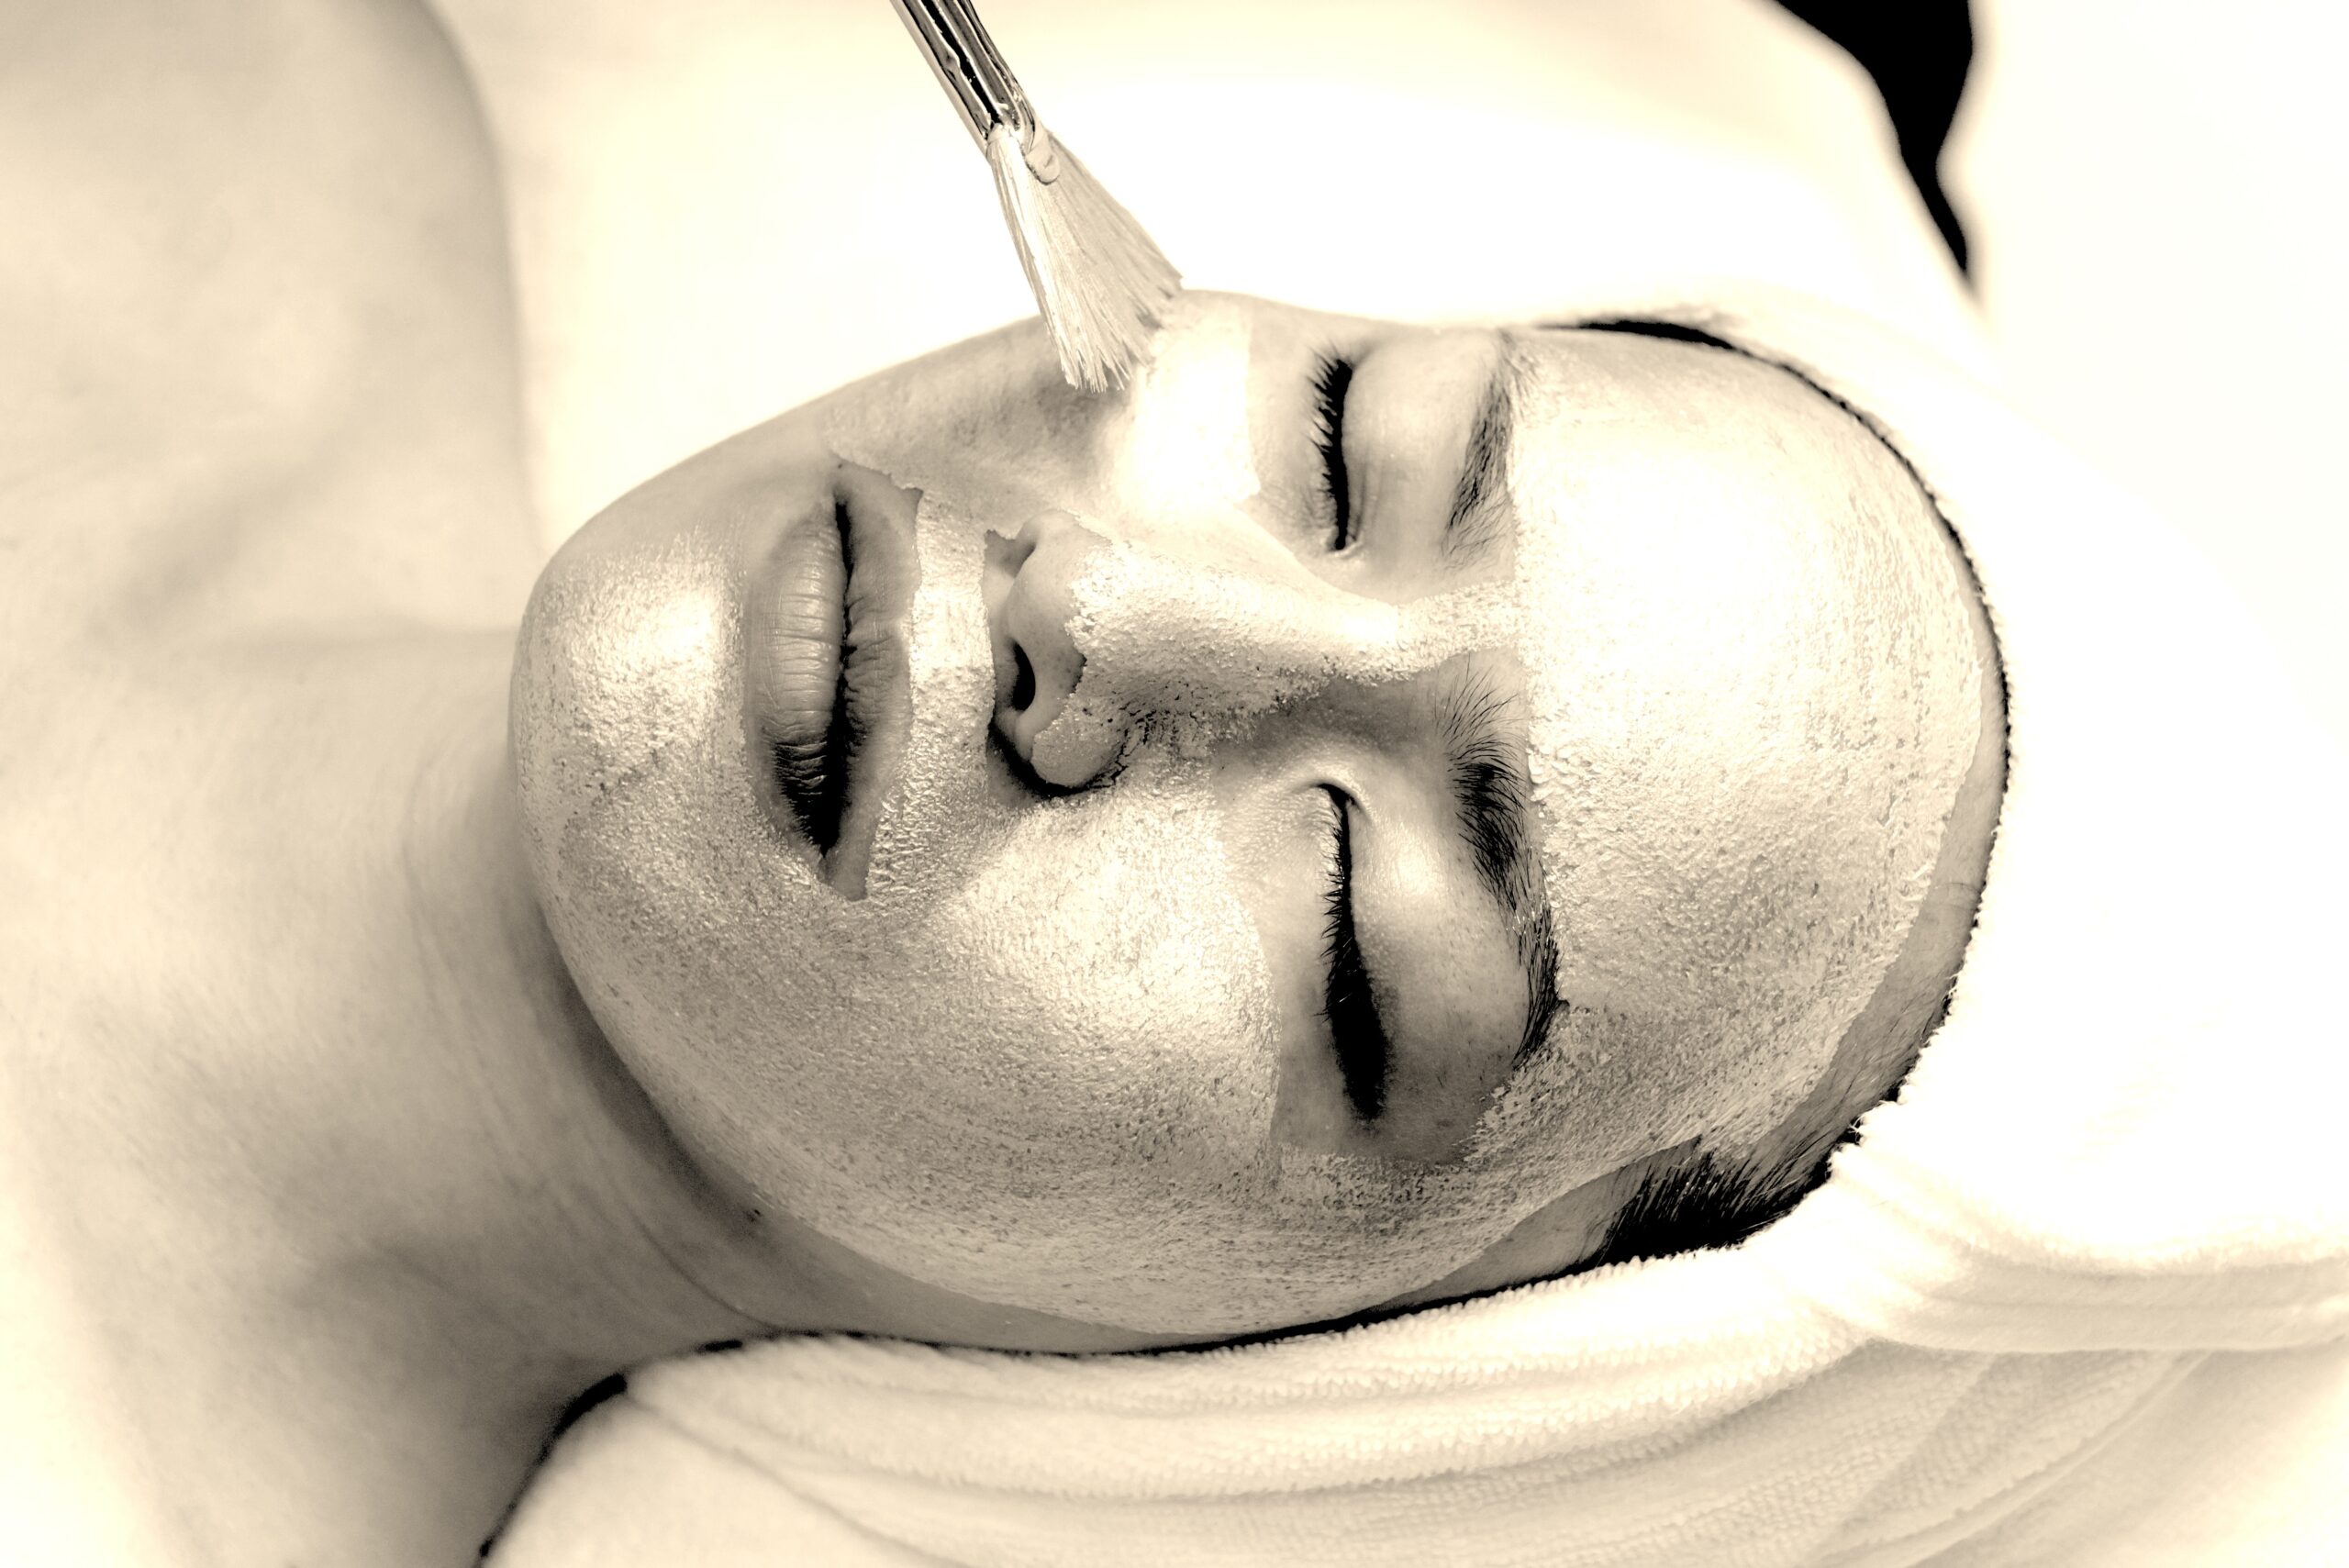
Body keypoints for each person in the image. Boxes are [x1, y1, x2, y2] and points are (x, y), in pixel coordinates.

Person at [4, 5, 2341, 1567]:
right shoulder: (244, 81)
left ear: (1310, 1384)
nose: (1114, 621)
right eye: (1339, 453)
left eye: (1350, 937)